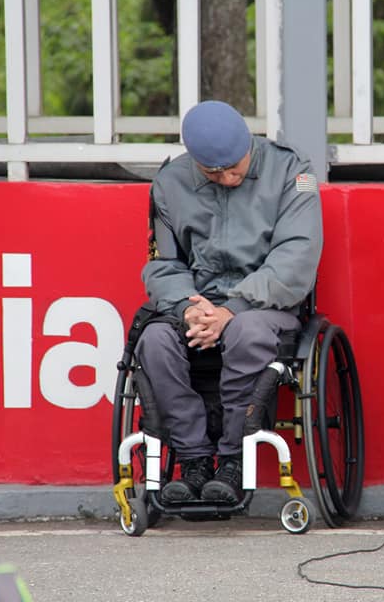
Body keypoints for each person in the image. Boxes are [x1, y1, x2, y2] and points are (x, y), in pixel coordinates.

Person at [137, 100, 323, 505]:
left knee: (247, 331)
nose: (227, 177)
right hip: (197, 305)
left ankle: (234, 459)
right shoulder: (170, 183)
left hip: (266, 306)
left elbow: (295, 261)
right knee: (153, 341)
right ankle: (193, 458)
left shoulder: (292, 172)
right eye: (212, 172)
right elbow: (163, 264)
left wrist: (232, 310)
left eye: (234, 166)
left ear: (247, 144)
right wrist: (188, 308)